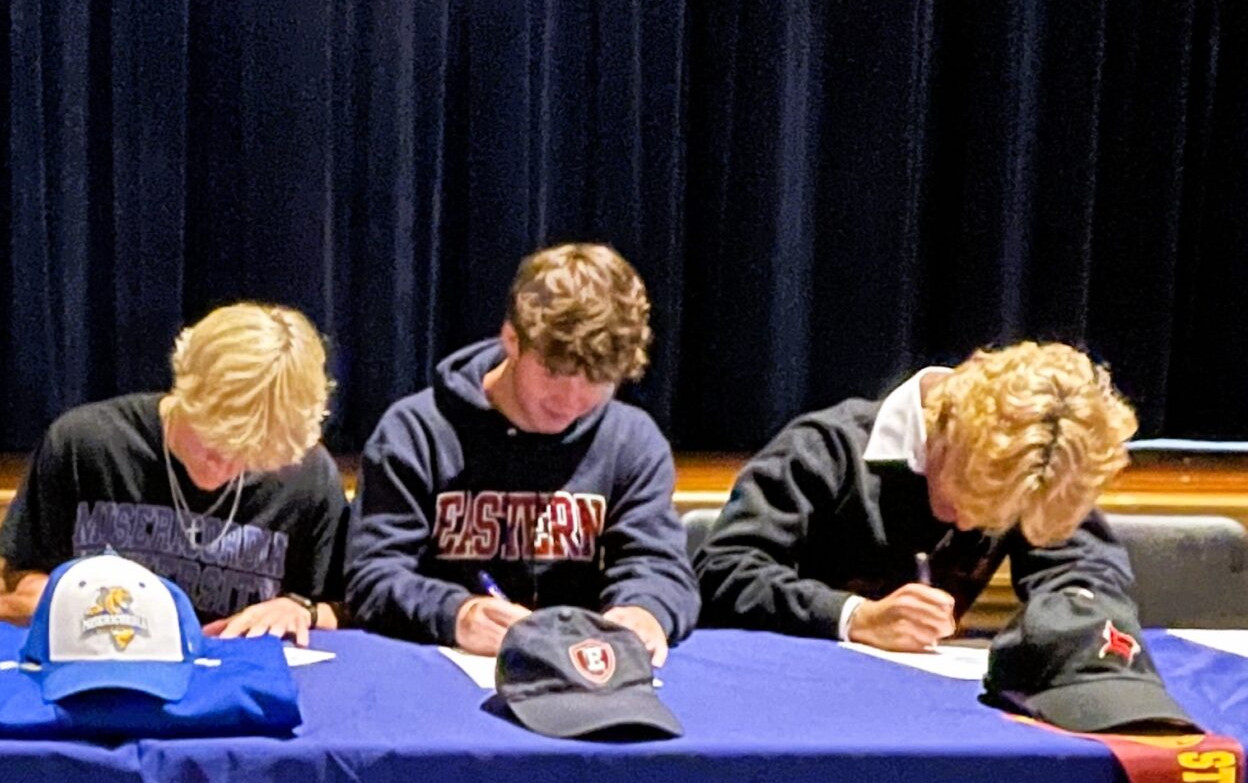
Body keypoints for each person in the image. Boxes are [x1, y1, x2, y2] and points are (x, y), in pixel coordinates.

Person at [342, 243, 696, 662]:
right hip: (444, 668)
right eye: (554, 373)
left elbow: (660, 567)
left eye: (598, 381)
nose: (571, 399)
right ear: (512, 339)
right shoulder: (416, 432)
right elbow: (372, 576)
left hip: (582, 671)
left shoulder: (630, 440)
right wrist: (456, 613)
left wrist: (644, 611)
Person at [695, 341, 1138, 648]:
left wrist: (1069, 621)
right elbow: (723, 572)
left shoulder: (1031, 458)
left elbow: (1087, 573)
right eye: (964, 498)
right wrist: (852, 616)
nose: (964, 525)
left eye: (993, 519)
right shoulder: (826, 449)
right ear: (943, 434)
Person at [0, 303, 344, 645]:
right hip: (107, 674)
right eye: (212, 439)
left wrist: (302, 611)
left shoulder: (308, 478)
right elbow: (12, 600)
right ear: (184, 385)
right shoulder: (84, 445)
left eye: (251, 456)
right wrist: (124, 617)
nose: (223, 465)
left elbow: (342, 610)